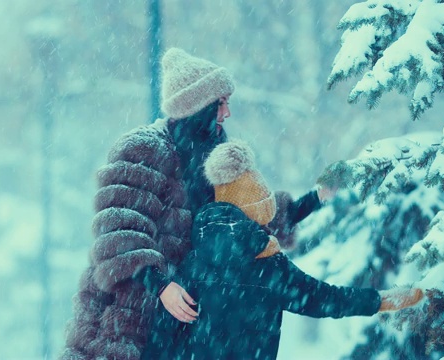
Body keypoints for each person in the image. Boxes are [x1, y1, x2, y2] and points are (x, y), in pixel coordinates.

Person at [60, 48, 332, 360]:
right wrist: (161, 286)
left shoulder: (216, 158)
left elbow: (247, 222)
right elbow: (120, 232)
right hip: (131, 317)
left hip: (188, 321)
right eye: (221, 103)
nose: (227, 113)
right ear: (197, 105)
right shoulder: (143, 150)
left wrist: (315, 199)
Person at [145, 140, 425, 359]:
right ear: (259, 214)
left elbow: (164, 332)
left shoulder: (196, 256)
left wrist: (315, 198)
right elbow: (324, 299)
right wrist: (381, 300)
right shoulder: (268, 265)